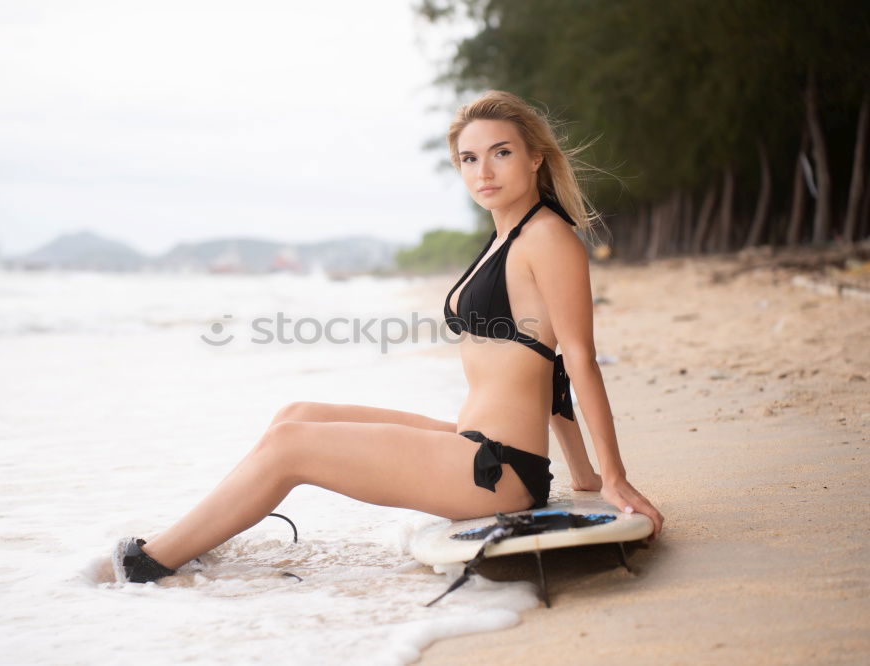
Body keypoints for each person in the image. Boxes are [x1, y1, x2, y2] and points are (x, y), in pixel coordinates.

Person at [112, 89, 664, 584]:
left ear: (535, 158)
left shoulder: (548, 238)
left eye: (501, 152)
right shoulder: (504, 237)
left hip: (497, 475)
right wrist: (582, 471)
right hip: (473, 446)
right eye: (468, 159)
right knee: (296, 415)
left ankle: (149, 561)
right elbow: (550, 370)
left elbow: (579, 361)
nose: (483, 171)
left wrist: (612, 478)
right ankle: (206, 535)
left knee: (290, 448)